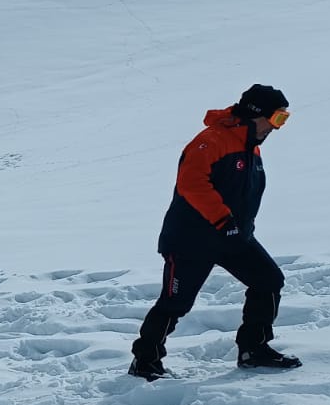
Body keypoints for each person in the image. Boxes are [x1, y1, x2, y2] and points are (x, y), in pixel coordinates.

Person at [129, 84, 302, 380]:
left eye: (284, 120)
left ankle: (253, 350)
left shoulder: (250, 147)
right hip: (191, 239)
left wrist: (241, 227)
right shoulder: (211, 141)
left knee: (268, 280)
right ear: (255, 114)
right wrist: (223, 220)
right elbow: (192, 183)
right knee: (175, 302)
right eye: (277, 118)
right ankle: (145, 361)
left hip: (233, 237)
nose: (277, 128)